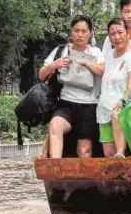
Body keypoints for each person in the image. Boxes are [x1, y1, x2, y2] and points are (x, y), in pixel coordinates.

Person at [38, 15, 106, 158]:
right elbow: (41, 75)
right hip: (66, 103)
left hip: (89, 105)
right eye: (76, 30)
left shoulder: (96, 53)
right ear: (71, 32)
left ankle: (85, 180)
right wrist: (54, 65)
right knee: (55, 126)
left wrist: (86, 62)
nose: (80, 35)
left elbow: (103, 72)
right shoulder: (60, 51)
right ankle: (56, 169)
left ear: (90, 33)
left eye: (84, 31)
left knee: (84, 150)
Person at [97, 18, 131, 158]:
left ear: (127, 33)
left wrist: (123, 102)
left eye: (120, 32)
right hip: (104, 111)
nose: (117, 37)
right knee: (108, 153)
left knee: (121, 155)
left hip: (125, 109)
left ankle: (121, 153)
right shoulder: (109, 57)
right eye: (112, 34)